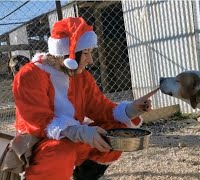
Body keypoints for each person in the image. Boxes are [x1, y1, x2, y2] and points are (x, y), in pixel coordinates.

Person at [11, 17, 157, 180]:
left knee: (116, 130)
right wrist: (77, 131)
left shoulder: (81, 76)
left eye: (91, 53)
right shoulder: (30, 74)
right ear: (67, 54)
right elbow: (36, 120)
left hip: (74, 135)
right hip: (38, 140)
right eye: (86, 53)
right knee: (61, 150)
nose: (91, 60)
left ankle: (84, 176)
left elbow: (100, 107)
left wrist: (132, 109)